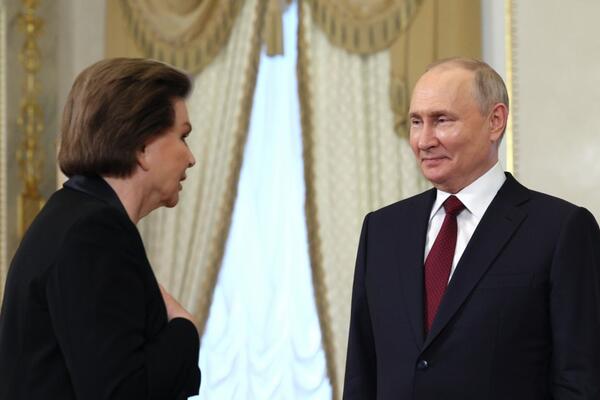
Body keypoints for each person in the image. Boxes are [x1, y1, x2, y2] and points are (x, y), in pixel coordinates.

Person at [342, 58, 600, 399]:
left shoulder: (561, 230)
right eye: (416, 122)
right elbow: (361, 373)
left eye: (442, 120)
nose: (424, 140)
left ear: (495, 121)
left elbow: (580, 380)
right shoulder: (382, 230)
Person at [0, 58, 201, 399]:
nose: (191, 158)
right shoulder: (95, 232)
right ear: (142, 147)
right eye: (183, 136)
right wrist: (185, 329)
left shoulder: (73, 215)